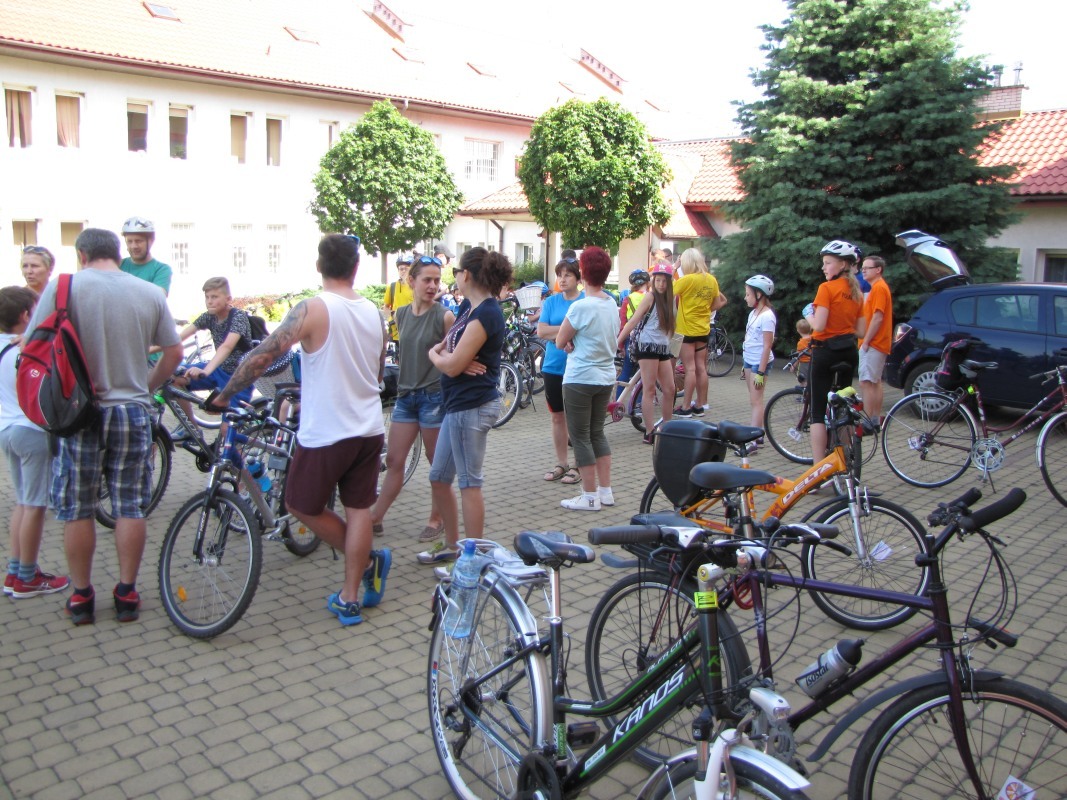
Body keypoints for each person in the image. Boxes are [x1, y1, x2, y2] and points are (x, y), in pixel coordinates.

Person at [210, 234, 389, 627]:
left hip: (328, 431)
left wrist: (224, 395)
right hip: (368, 427)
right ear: (356, 267)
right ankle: (351, 597)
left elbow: (262, 357)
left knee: (300, 505)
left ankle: (366, 563)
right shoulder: (374, 313)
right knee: (359, 510)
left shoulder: (312, 308)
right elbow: (377, 372)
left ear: (319, 266)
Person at [25, 228, 183, 625]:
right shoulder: (149, 293)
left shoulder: (65, 288)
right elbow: (174, 352)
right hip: (132, 410)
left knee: (77, 508)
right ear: (118, 253)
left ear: (82, 255)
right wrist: (147, 387)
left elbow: (32, 346)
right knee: (130, 505)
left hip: (79, 413)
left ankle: (81, 596)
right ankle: (127, 593)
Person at [418, 247, 512, 563]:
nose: (455, 276)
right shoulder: (467, 309)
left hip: (472, 406)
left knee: (470, 483)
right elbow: (449, 352)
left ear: (467, 274)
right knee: (438, 477)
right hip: (458, 405)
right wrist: (448, 358)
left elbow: (449, 361)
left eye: (457, 271)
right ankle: (453, 546)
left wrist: (441, 358)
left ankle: (473, 558)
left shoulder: (487, 313)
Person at [370, 254, 455, 543]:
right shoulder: (401, 314)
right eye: (427, 280)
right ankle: (376, 518)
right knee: (395, 460)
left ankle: (436, 519)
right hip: (406, 397)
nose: (433, 286)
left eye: (436, 280)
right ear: (411, 281)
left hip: (433, 398)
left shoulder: (444, 316)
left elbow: (453, 358)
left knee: (436, 463)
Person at [0, 286, 70, 598]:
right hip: (31, 431)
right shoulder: (26, 350)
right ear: (26, 315)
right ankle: (28, 576)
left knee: (23, 502)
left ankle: (15, 571)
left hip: (6, 429)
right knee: (35, 506)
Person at [555, 246, 618, 510]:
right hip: (605, 377)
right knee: (597, 433)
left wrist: (570, 342)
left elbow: (560, 341)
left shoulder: (580, 307)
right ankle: (606, 492)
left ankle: (589, 496)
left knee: (580, 436)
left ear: (582, 273)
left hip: (580, 377)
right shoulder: (611, 303)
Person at [803, 239, 867, 460]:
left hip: (825, 352)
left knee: (817, 413)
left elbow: (819, 325)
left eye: (828, 262)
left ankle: (819, 467)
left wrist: (808, 315)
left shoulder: (826, 288)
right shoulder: (857, 292)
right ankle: (845, 459)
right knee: (844, 408)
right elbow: (861, 330)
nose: (824, 267)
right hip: (848, 351)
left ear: (843, 264)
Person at [171, 277, 254, 439]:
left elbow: (226, 347)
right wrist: (149, 349)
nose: (209, 301)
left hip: (239, 378)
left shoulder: (238, 317)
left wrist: (205, 371)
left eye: (214, 297)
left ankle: (241, 455)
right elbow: (178, 338)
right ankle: (191, 429)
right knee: (175, 378)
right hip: (219, 370)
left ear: (228, 299)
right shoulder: (209, 316)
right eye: (207, 297)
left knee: (226, 432)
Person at [537, 257, 584, 484]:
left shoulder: (585, 301)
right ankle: (562, 463)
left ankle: (579, 465)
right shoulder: (551, 302)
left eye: (568, 275)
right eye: (559, 275)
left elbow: (588, 330)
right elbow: (541, 331)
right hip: (553, 367)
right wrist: (569, 330)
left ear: (578, 278)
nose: (562, 279)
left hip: (579, 367)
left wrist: (557, 332)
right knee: (557, 417)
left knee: (577, 419)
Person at [618, 263, 675, 444]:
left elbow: (672, 327)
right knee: (649, 389)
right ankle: (649, 432)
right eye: (658, 280)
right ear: (653, 281)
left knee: (670, 389)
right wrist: (619, 341)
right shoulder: (649, 297)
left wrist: (675, 348)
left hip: (663, 347)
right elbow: (633, 321)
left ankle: (667, 428)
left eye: (664, 281)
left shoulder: (671, 299)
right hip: (647, 346)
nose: (661, 284)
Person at [673, 247, 727, 417]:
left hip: (685, 330)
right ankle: (700, 405)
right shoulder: (711, 279)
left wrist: (674, 268)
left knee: (689, 369)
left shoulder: (686, 280)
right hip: (703, 330)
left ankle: (686, 407)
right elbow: (717, 303)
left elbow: (664, 292)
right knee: (701, 368)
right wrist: (704, 310)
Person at [859, 255, 892, 429]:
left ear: (878, 270)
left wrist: (866, 341)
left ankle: (867, 421)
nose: (863, 270)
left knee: (867, 382)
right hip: (879, 343)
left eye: (867, 268)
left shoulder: (879, 288)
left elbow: (877, 317)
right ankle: (874, 419)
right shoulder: (878, 287)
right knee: (875, 381)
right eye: (863, 268)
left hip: (873, 343)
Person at [742, 275, 776, 434]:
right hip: (749, 360)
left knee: (756, 400)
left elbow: (767, 345)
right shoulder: (753, 313)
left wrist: (761, 372)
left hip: (759, 363)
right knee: (753, 399)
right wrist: (744, 363)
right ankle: (758, 431)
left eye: (748, 294)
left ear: (759, 294)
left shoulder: (767, 316)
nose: (745, 298)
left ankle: (755, 436)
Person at [615, 269, 650, 398]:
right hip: (648, 340)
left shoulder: (628, 299)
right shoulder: (651, 297)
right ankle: (639, 402)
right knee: (643, 373)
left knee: (626, 370)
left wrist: (621, 345)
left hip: (631, 339)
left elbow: (623, 324)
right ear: (647, 282)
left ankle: (618, 400)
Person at [119, 217, 172, 295]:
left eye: (138, 241)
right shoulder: (119, 265)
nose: (134, 246)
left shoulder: (161, 269)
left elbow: (159, 296)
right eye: (129, 241)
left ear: (151, 241)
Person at [383, 255, 414, 342]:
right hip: (396, 332)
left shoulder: (416, 286)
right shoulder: (392, 286)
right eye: (401, 269)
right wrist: (391, 319)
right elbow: (386, 306)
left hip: (412, 330)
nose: (403, 271)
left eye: (406, 269)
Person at [792, 318, 813, 382]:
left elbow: (799, 355)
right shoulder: (813, 339)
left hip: (804, 363)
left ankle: (803, 387)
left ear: (798, 330)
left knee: (802, 380)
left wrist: (794, 365)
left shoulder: (801, 343)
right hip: (813, 362)